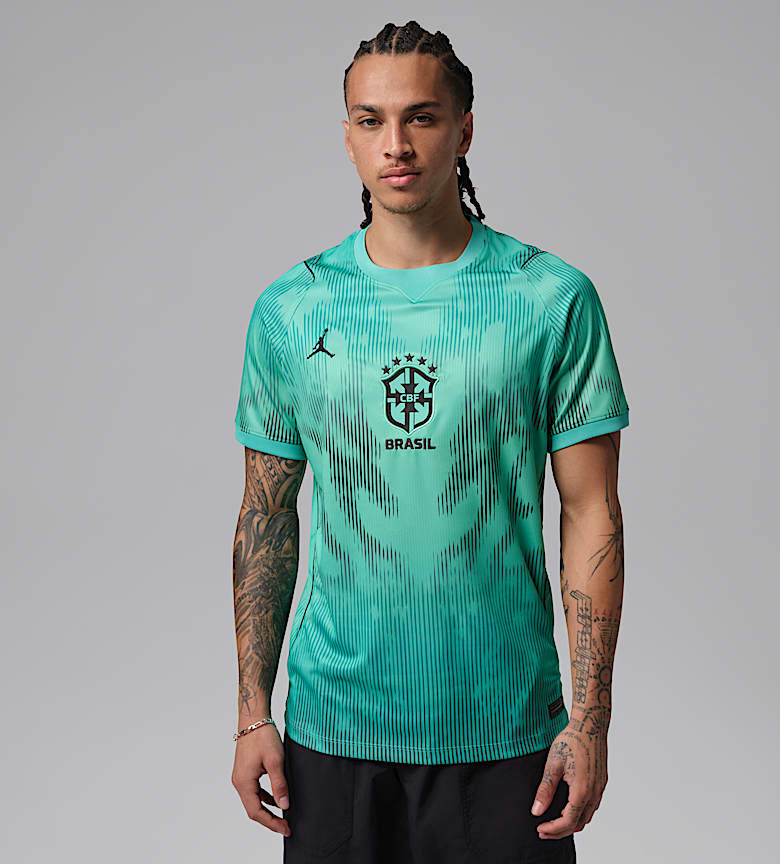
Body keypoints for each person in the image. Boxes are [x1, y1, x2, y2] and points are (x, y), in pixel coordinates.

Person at [230, 19, 629, 864]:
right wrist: (253, 713)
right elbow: (265, 516)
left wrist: (589, 723)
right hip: (333, 732)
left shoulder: (550, 299)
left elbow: (592, 511)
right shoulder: (291, 310)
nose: (397, 144)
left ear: (464, 129)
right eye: (370, 120)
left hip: (508, 734)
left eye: (421, 116)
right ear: (346, 137)